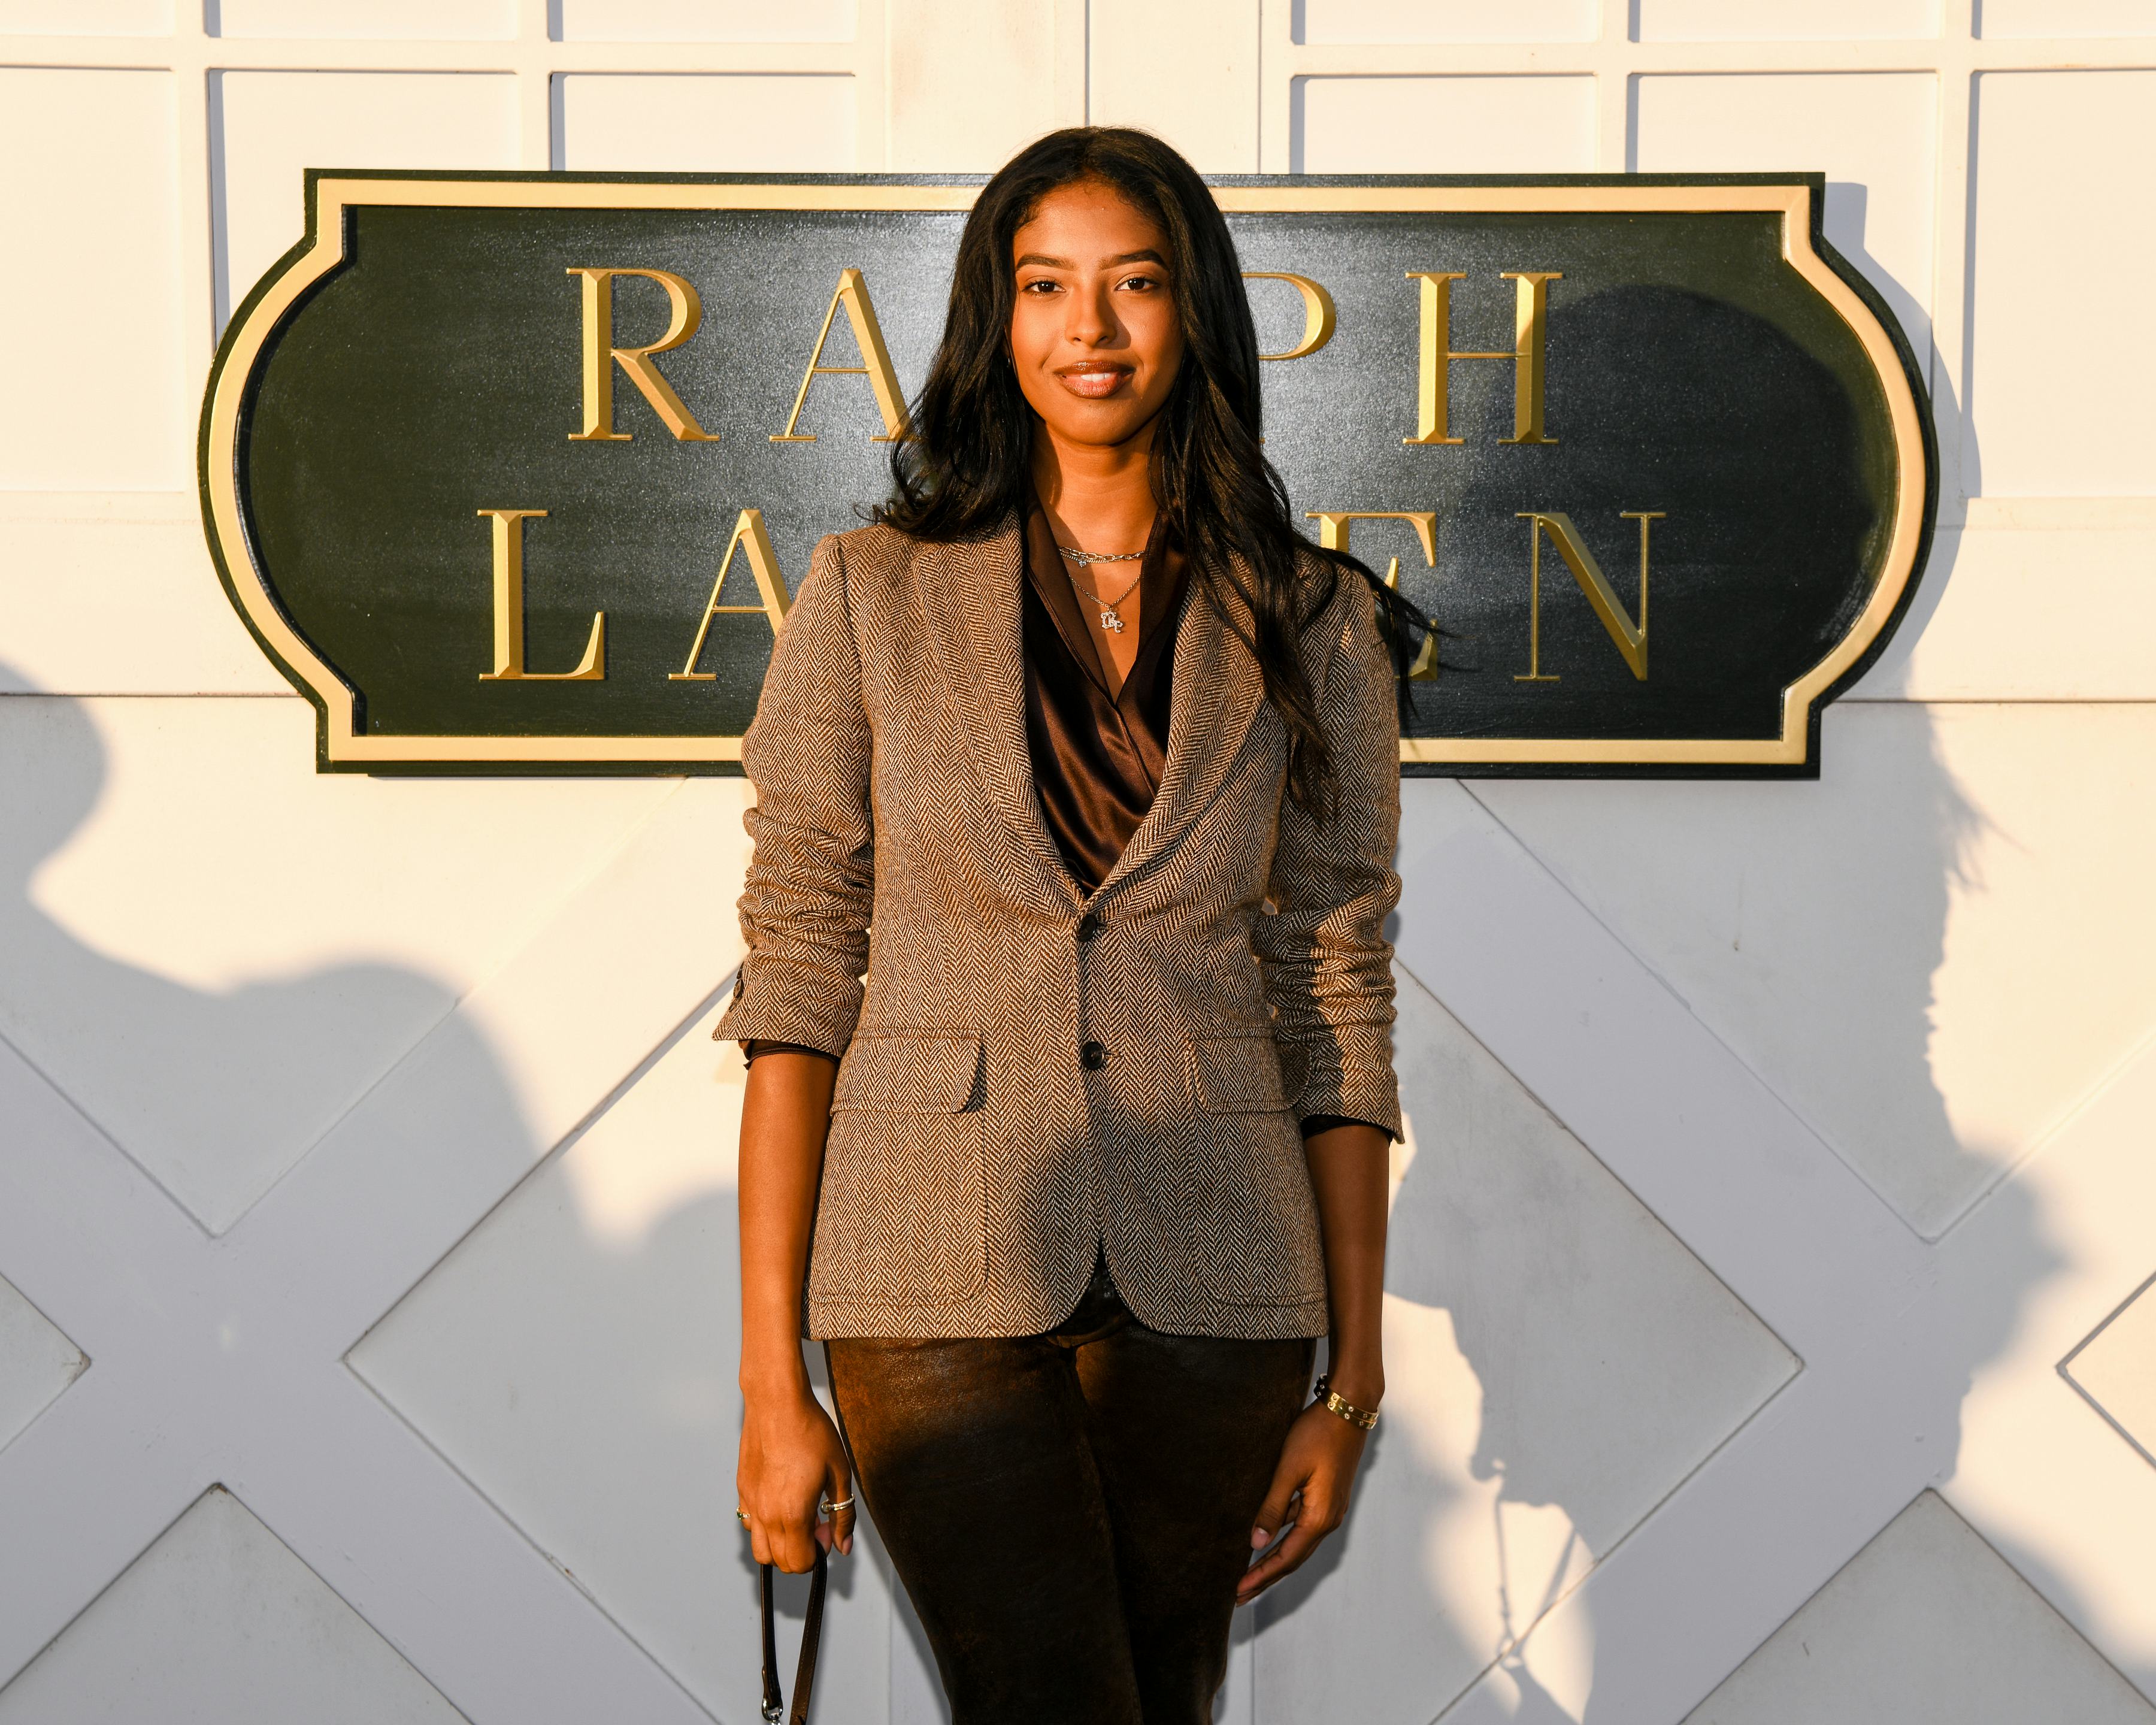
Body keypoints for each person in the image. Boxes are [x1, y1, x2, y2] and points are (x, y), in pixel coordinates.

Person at [720, 125, 1425, 1724]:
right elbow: (798, 975)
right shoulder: (869, 593)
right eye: (1046, 287)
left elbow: (1335, 988)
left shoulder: (1315, 624)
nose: (1088, 330)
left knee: (1159, 1700)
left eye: (1132, 287)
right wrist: (774, 1376)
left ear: (1195, 316)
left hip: (1223, 1273)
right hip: (926, 1271)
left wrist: (1353, 1379)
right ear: (997, 316)